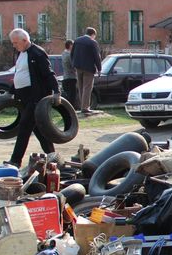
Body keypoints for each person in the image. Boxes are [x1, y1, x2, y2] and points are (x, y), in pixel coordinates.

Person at [6, 28, 60, 168]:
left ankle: (15, 161)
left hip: (36, 97)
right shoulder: (21, 53)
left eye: (16, 43)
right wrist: (10, 92)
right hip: (24, 97)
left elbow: (49, 74)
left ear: (25, 40)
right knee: (39, 130)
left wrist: (56, 91)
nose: (14, 46)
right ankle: (53, 157)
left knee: (24, 126)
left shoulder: (38, 53)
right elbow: (20, 74)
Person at [71, 27, 101, 115]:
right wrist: (99, 69)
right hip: (88, 68)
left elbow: (72, 53)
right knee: (87, 87)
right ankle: (85, 107)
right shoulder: (92, 42)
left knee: (80, 87)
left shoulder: (77, 40)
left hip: (78, 67)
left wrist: (74, 64)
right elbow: (97, 56)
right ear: (93, 34)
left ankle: (82, 106)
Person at [60, 39, 78, 109]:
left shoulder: (63, 54)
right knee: (72, 96)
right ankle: (71, 110)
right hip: (71, 77)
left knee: (69, 96)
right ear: (70, 45)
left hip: (65, 77)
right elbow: (73, 66)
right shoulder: (69, 55)